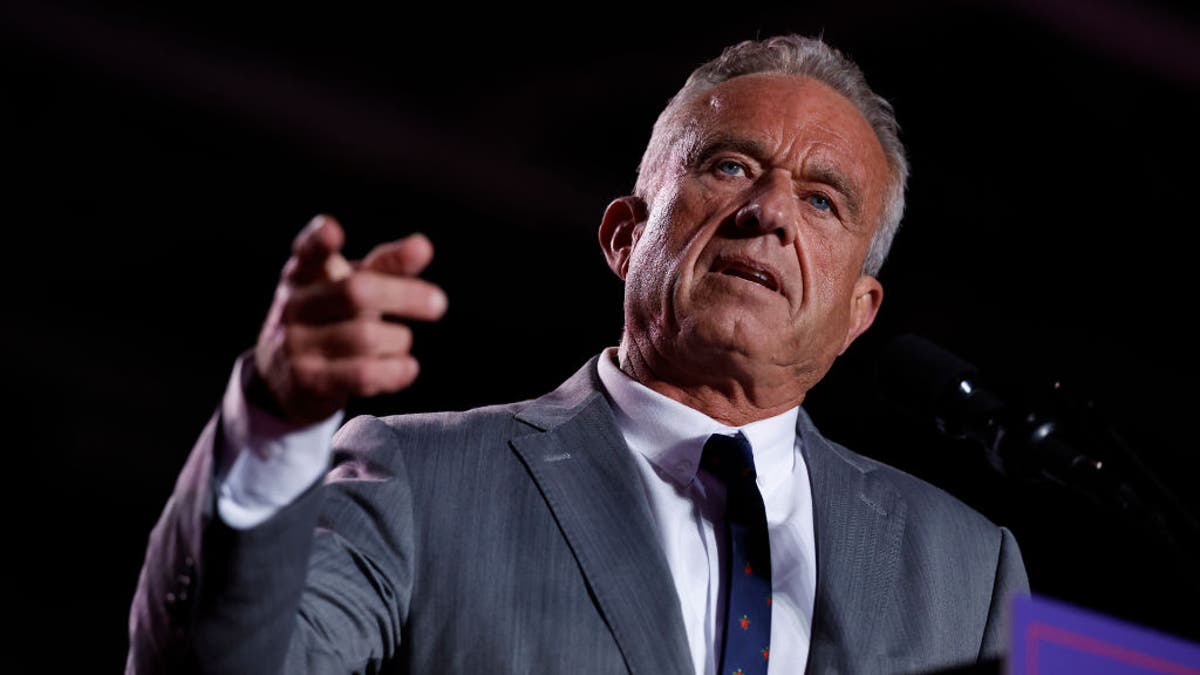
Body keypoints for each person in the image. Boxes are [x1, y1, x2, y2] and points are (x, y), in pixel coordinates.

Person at [126, 34, 1028, 674]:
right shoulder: (419, 480)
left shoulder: (967, 569)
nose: (772, 210)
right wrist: (278, 422)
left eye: (824, 200)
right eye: (728, 167)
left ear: (859, 312)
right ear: (625, 236)